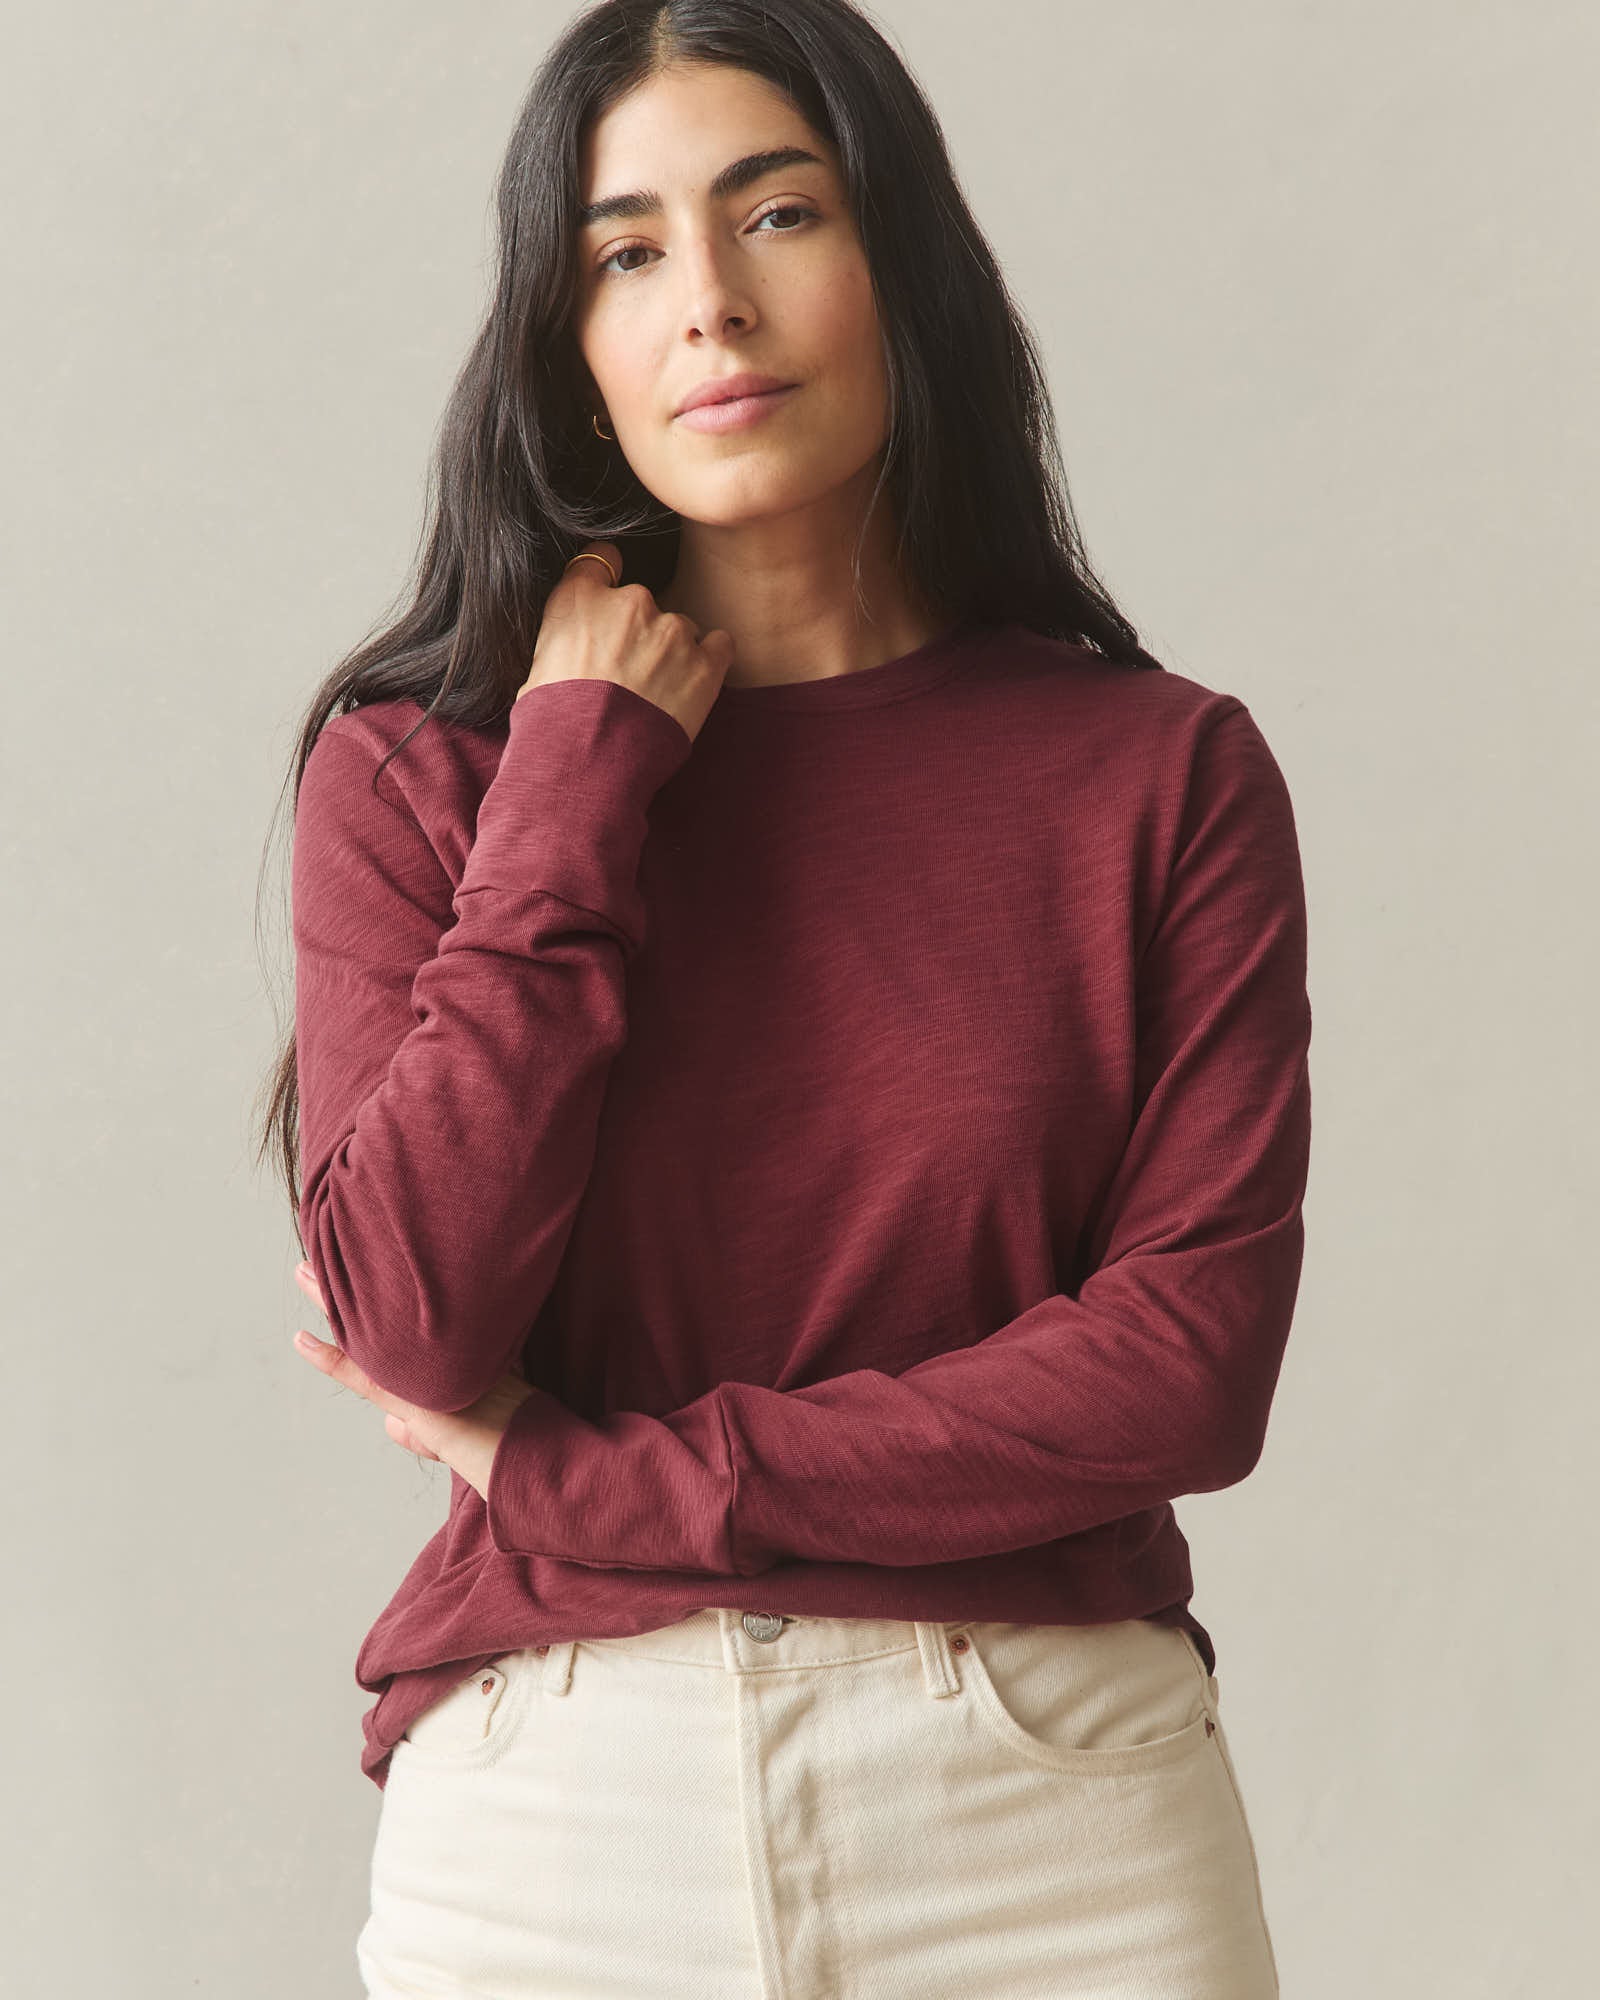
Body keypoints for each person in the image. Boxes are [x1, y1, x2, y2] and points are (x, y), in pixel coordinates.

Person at [261, 2, 1311, 1993]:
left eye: (777, 214)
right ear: (567, 351)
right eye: (626, 251)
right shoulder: (428, 778)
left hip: (1048, 1819)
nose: (709, 306)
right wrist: (572, 787)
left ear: (900, 264)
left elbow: (1185, 1365)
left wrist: (598, 1482)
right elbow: (416, 1321)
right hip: (561, 1818)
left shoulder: (1155, 774)